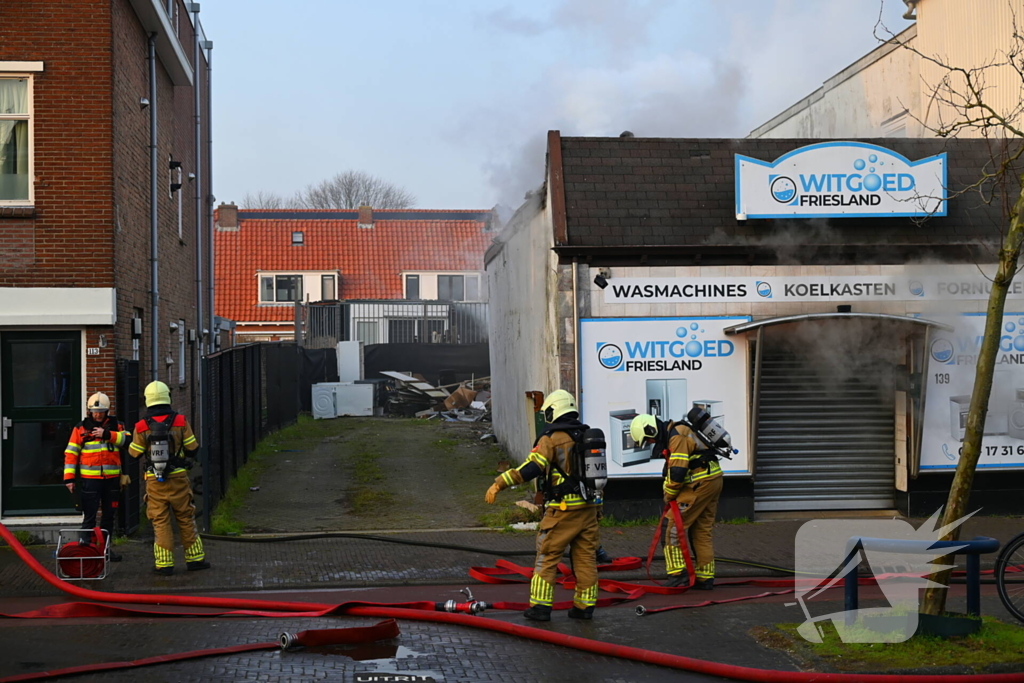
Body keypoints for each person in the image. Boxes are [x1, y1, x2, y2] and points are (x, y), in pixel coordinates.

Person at [484, 389, 600, 621]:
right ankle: (584, 608)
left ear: (554, 410)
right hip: (590, 510)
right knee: (586, 558)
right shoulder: (586, 435)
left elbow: (531, 468)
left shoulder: (552, 438)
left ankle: (540, 608)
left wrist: (499, 484)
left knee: (546, 556)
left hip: (563, 511)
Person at [630, 412, 723, 590]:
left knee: (672, 526)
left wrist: (669, 494)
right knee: (701, 530)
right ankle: (705, 578)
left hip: (699, 483)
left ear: (651, 429)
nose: (651, 443)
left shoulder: (677, 436)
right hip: (713, 480)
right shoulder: (677, 433)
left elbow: (678, 473)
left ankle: (678, 574)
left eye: (648, 439)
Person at [128, 381, 209, 575]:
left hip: (154, 481)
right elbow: (192, 449)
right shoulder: (181, 421)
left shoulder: (141, 426)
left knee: (160, 521)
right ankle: (195, 560)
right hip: (179, 477)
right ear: (167, 397)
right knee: (186, 517)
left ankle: (164, 564)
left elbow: (134, 454)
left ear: (148, 399)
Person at [63, 392, 129, 561]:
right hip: (90, 480)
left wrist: (108, 435)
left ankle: (106, 550)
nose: (98, 414)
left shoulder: (118, 426)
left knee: (108, 517)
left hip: (112, 480)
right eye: (94, 411)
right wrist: (69, 479)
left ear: (107, 411)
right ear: (89, 411)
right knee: (89, 517)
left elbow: (128, 441)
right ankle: (86, 551)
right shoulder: (80, 428)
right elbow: (71, 454)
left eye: (101, 411)